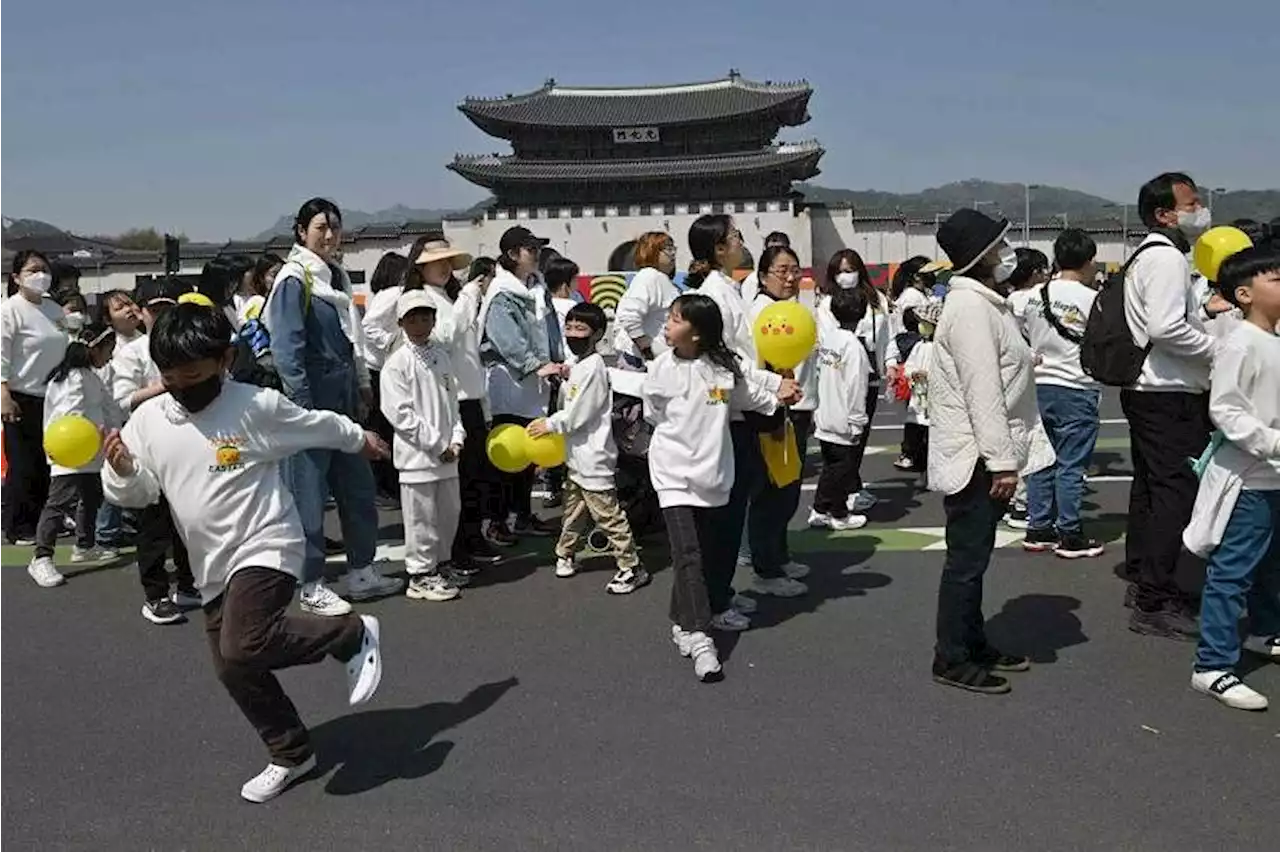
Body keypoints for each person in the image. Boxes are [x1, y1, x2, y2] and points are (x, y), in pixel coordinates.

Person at [100, 303, 385, 803]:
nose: (184, 387)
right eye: (171, 377)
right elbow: (141, 492)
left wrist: (357, 437)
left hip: (266, 542)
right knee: (233, 666)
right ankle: (293, 753)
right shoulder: (147, 420)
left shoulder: (256, 406)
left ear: (225, 359)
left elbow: (316, 423)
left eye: (195, 374)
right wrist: (123, 470)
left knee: (242, 644)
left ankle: (350, 633)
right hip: (210, 563)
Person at [928, 208, 1054, 695]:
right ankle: (951, 657)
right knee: (965, 562)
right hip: (977, 459)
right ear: (979, 257)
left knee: (973, 560)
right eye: (999, 247)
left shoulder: (985, 304)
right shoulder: (973, 309)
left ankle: (972, 642)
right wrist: (1001, 461)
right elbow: (983, 390)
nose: (1007, 255)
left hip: (981, 454)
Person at [265, 197, 403, 616]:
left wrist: (362, 386)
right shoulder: (294, 280)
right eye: (321, 227)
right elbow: (286, 349)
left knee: (357, 486)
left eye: (335, 227)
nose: (329, 235)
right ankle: (310, 582)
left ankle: (361, 570)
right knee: (306, 496)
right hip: (310, 404)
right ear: (301, 232)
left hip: (343, 399)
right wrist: (303, 407)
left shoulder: (337, 278)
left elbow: (352, 340)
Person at [643, 294, 788, 681]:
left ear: (698, 332)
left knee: (704, 552)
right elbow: (653, 414)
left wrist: (779, 398)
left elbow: (749, 395)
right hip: (672, 476)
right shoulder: (659, 369)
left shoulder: (722, 370)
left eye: (675, 319)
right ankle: (700, 635)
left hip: (714, 474)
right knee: (687, 553)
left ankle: (682, 618)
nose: (666, 325)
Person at [684, 215, 801, 628]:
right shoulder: (716, 294)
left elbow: (742, 362)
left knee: (732, 514)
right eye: (734, 236)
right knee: (725, 518)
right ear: (719, 248)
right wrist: (772, 392)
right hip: (732, 416)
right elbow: (727, 364)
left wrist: (773, 385)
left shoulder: (729, 289)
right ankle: (714, 603)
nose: (740, 241)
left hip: (743, 410)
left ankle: (723, 592)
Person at [1181, 246, 1280, 711]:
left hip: (1271, 477)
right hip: (1249, 479)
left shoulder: (1272, 338)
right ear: (1244, 294)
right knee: (1232, 571)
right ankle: (1213, 665)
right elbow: (1225, 409)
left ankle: (1269, 628)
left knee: (1271, 565)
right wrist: (1272, 443)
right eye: (1276, 280)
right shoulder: (1240, 342)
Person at [1121, 173, 1217, 639]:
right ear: (1165, 214)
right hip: (1169, 391)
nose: (1200, 209)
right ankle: (1155, 597)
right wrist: (1217, 349)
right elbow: (1166, 327)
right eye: (1192, 202)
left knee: (1152, 488)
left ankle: (1143, 576)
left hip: (1149, 390)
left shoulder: (1146, 254)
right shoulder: (1167, 258)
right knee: (1175, 494)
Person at [529, 302, 650, 595]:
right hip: (578, 456)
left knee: (608, 515)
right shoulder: (582, 365)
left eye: (580, 328)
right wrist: (567, 372)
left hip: (593, 456)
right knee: (574, 509)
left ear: (596, 334)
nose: (573, 333)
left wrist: (550, 424)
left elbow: (578, 414)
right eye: (569, 327)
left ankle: (631, 566)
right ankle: (565, 552)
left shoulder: (593, 368)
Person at [111, 277, 202, 624]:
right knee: (153, 523)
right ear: (141, 313)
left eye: (168, 308)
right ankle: (156, 595)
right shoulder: (132, 352)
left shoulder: (188, 344)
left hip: (186, 442)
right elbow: (121, 400)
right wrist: (163, 386)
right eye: (155, 309)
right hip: (147, 444)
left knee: (187, 516)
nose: (161, 315)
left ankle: (189, 584)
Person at [380, 290, 469, 602]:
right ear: (402, 321)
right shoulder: (397, 364)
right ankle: (420, 574)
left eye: (426, 316)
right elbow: (400, 415)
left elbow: (452, 405)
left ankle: (440, 565)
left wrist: (456, 438)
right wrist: (436, 443)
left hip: (447, 456)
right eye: (414, 317)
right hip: (417, 458)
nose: (421, 322)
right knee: (421, 519)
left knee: (448, 514)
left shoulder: (441, 356)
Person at [1021, 230, 1105, 559]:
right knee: (1071, 466)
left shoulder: (1034, 296)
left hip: (1039, 385)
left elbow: (1024, 336)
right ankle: (1070, 534)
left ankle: (1038, 527)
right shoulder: (1091, 299)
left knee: (1042, 460)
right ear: (1087, 261)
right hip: (1076, 386)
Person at [478, 226, 564, 544]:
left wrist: (557, 360)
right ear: (513, 254)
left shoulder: (536, 287)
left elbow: (552, 330)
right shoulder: (502, 293)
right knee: (506, 455)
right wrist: (536, 364)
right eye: (530, 249)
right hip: (510, 383)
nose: (537, 254)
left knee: (529, 455)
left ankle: (522, 514)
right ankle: (497, 520)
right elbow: (505, 339)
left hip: (535, 383)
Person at [738, 245, 813, 596]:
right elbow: (753, 367)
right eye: (781, 270)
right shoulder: (761, 311)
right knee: (771, 491)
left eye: (794, 270)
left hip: (787, 408)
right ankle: (765, 568)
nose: (790, 277)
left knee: (785, 487)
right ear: (763, 275)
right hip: (766, 411)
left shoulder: (787, 308)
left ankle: (778, 556)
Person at [26, 324, 122, 587]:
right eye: (108, 350)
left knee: (90, 497)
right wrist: (91, 434)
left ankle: (84, 544)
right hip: (71, 450)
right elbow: (71, 414)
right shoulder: (73, 378)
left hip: (90, 450)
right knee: (59, 502)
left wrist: (116, 431)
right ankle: (41, 557)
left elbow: (109, 408)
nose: (110, 356)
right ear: (94, 348)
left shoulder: (89, 376)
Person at [0, 250, 70, 545]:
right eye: (32, 270)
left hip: (54, 395)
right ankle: (19, 525)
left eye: (44, 269)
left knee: (48, 461)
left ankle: (46, 519)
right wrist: (3, 393)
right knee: (24, 463)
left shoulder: (55, 310)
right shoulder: (9, 310)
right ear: (16, 277)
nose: (40, 275)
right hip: (21, 395)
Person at [821, 249, 889, 515]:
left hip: (870, 374)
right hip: (839, 374)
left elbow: (886, 335)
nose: (845, 276)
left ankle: (850, 485)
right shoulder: (826, 302)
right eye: (840, 271)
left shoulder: (876, 300)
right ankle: (840, 493)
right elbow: (828, 337)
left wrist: (889, 365)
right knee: (842, 438)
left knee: (859, 435)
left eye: (850, 270)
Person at [810, 287, 872, 531]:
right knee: (841, 470)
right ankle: (830, 511)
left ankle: (828, 510)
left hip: (825, 414)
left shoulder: (830, 340)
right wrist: (857, 421)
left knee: (832, 467)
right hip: (843, 419)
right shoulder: (854, 347)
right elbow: (857, 387)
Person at [358, 251, 411, 506]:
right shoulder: (393, 294)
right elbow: (368, 326)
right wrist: (392, 343)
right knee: (384, 429)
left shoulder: (384, 294)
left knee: (384, 428)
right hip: (378, 368)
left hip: (380, 367)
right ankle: (383, 486)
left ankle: (385, 485)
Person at [614, 231, 681, 370]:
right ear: (651, 251)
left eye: (673, 248)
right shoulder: (649, 276)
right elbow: (628, 315)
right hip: (642, 362)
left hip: (659, 361)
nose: (673, 253)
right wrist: (647, 349)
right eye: (667, 249)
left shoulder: (662, 279)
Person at [902, 300, 942, 486]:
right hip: (919, 397)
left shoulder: (941, 347)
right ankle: (922, 470)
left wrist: (930, 376)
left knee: (934, 438)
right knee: (919, 437)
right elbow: (909, 366)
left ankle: (934, 472)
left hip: (936, 398)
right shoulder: (919, 346)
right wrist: (912, 374)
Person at [740, 231, 791, 301]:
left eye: (780, 251)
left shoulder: (792, 278)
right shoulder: (753, 281)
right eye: (771, 251)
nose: (775, 255)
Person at [237, 254, 284, 327]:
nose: (279, 279)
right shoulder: (256, 301)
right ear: (261, 277)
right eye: (274, 275)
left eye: (281, 274)